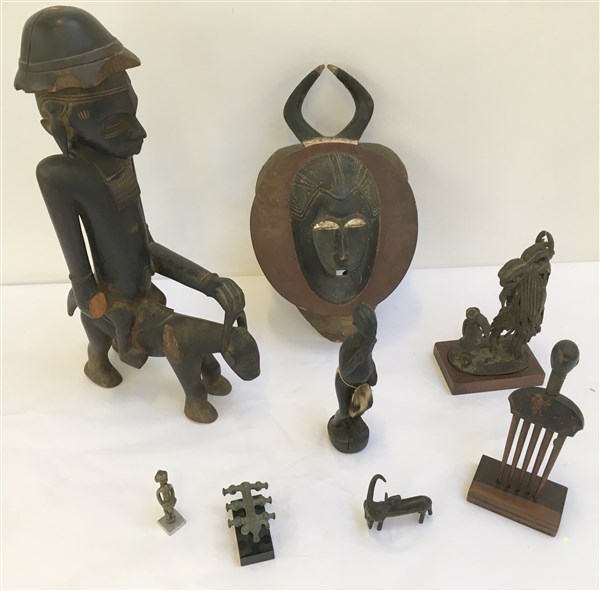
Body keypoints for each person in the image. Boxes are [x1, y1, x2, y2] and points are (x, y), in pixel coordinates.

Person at [15, 6, 260, 423]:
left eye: (132, 113)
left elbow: (146, 247)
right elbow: (77, 258)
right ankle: (102, 360)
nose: (139, 132)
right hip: (114, 301)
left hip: (144, 293)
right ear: (56, 119)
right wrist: (89, 293)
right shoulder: (60, 175)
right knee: (134, 334)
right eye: (116, 125)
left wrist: (210, 282)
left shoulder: (120, 162)